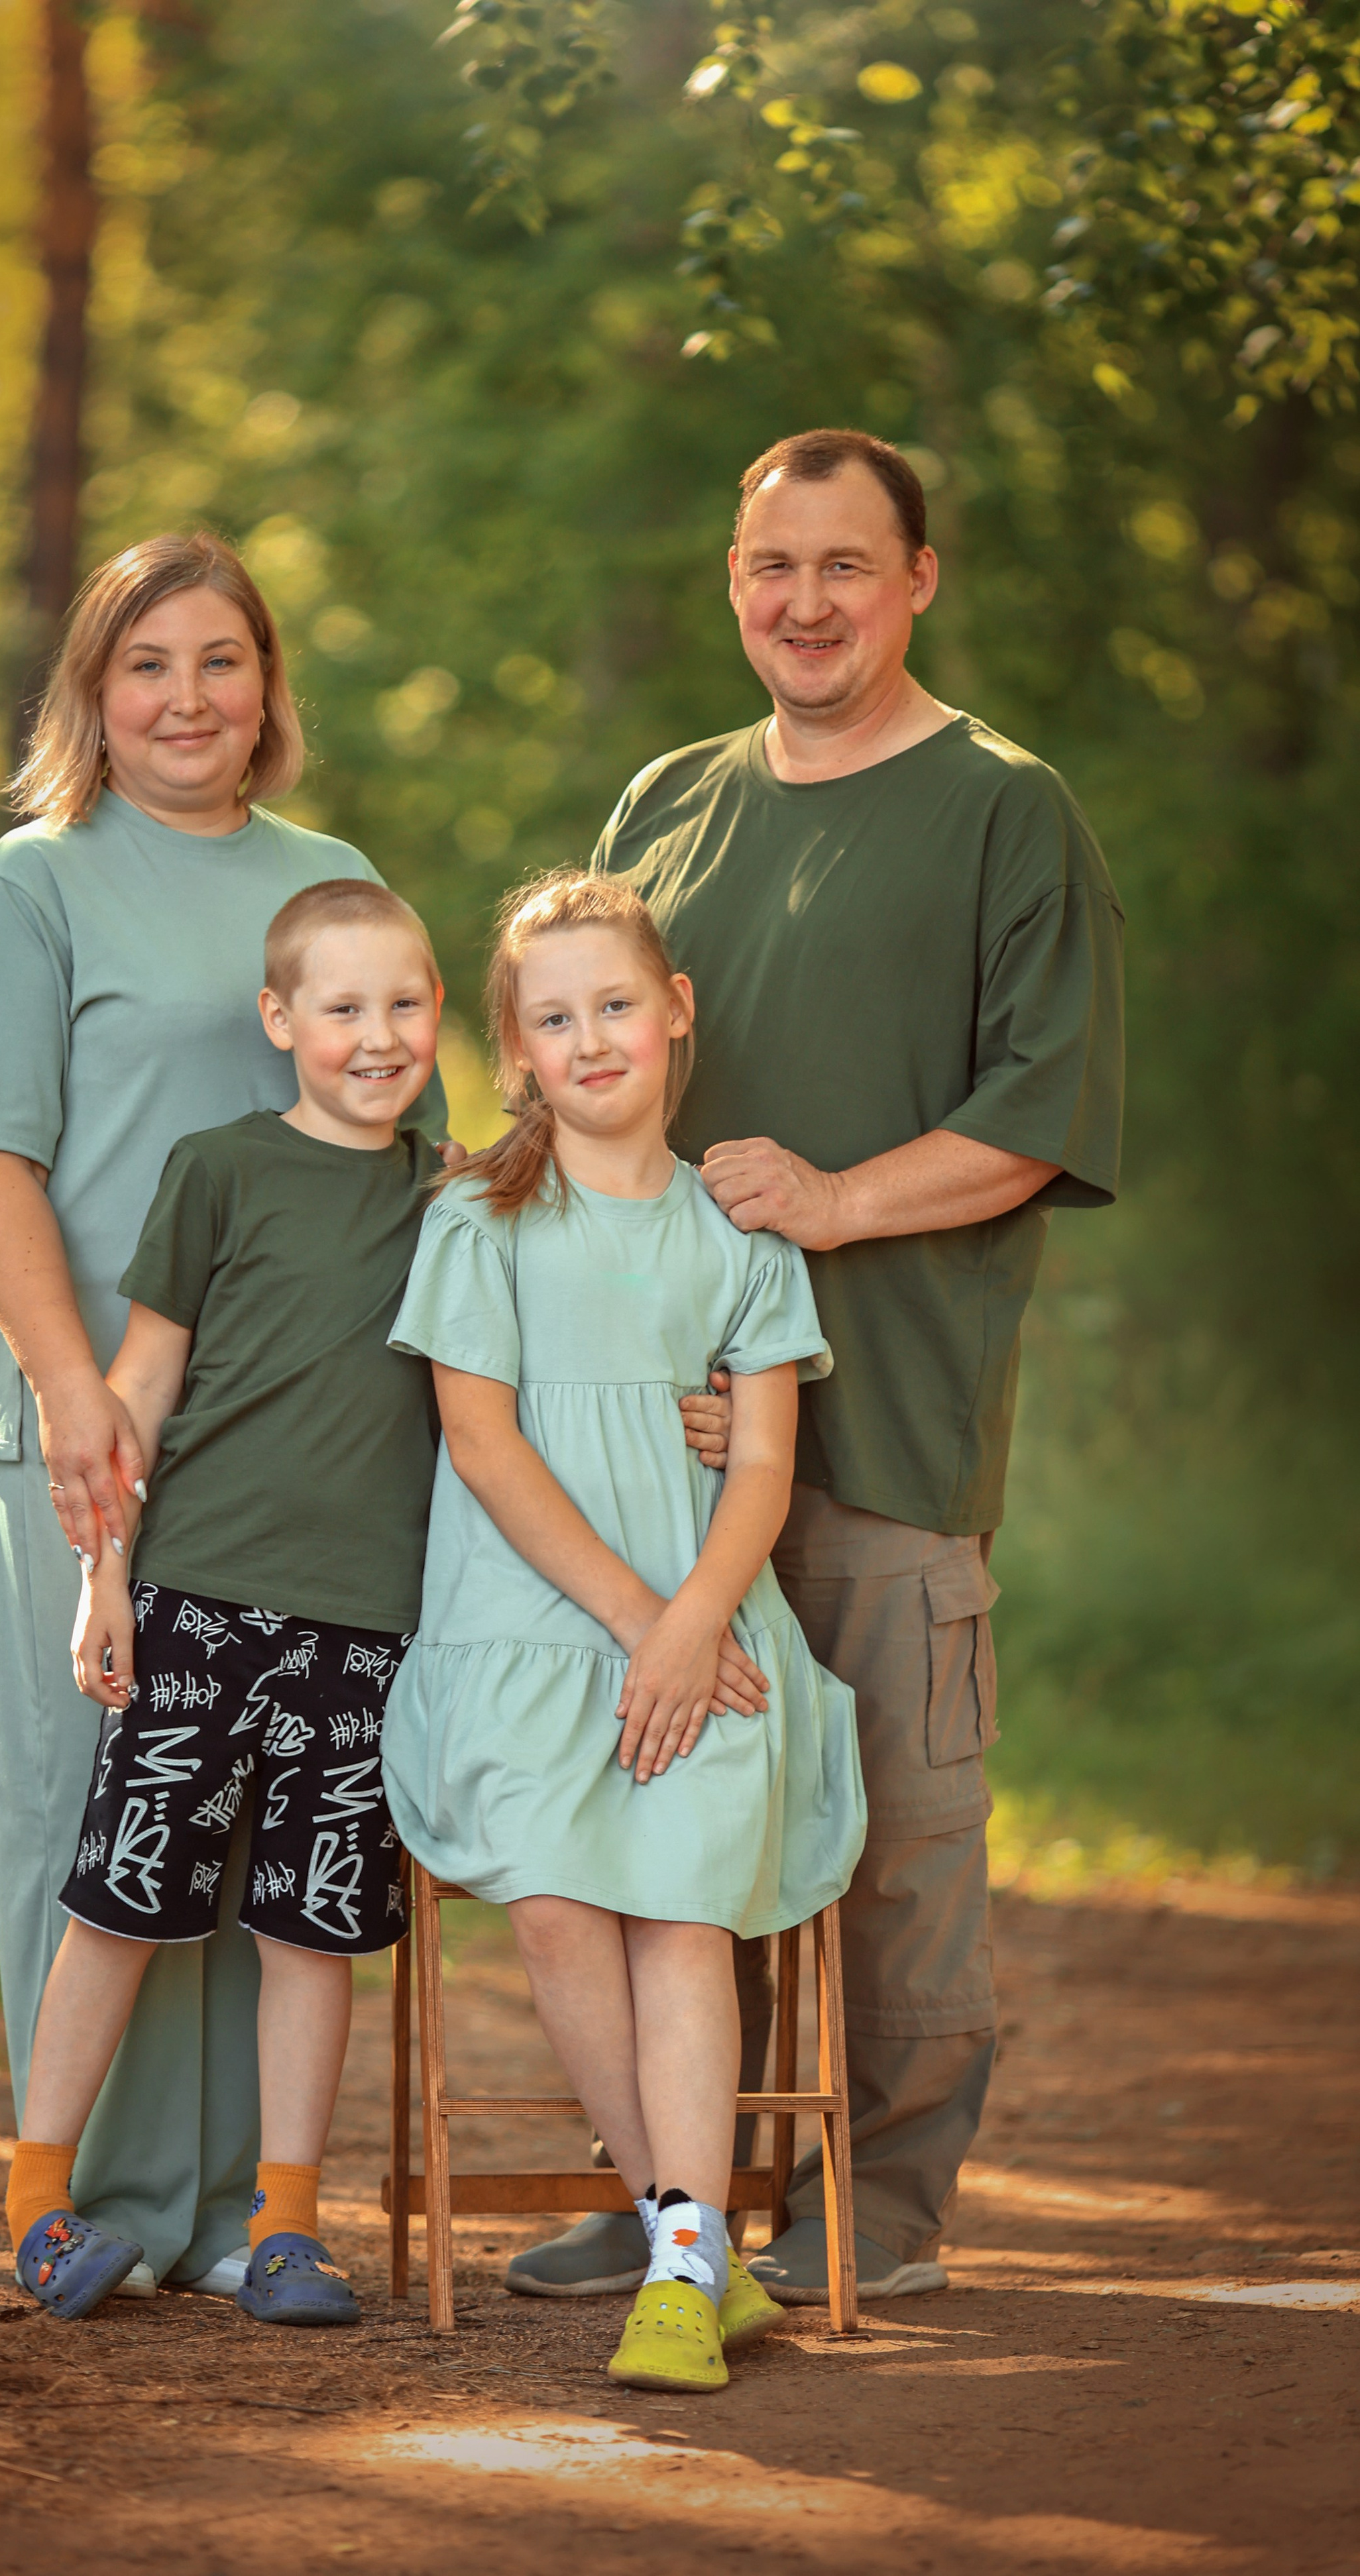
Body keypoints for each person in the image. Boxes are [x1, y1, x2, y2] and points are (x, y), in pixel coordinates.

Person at [508, 428, 1125, 2308]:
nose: (807, 603)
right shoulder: (669, 799)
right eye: (775, 565)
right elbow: (580, 1060)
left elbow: (1040, 1115)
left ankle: (883, 2213)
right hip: (656, 1451)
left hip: (888, 1429)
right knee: (664, 1824)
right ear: (732, 577)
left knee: (892, 1854)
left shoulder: (1009, 810)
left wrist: (838, 1202)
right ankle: (679, 2187)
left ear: (919, 579)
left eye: (848, 566)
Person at [0, 535, 450, 2298]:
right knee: (104, 1807)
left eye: (222, 662)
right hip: (89, 1410)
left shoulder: (333, 875)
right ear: (93, 690)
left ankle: (243, 2215)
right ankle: (98, 2207)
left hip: (304, 1437)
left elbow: (414, 1163)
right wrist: (73, 1393)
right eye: (150, 664)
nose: (189, 699)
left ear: (268, 687)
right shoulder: (33, 884)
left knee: (265, 1816)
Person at [382, 871, 866, 2392]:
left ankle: (679, 2265)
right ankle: (685, 2231)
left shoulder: (739, 1236)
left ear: (675, 1015)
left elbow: (769, 1462)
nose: (588, 1038)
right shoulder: (478, 1219)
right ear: (514, 1053)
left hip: (708, 1621)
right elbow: (484, 1444)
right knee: (549, 1890)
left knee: (678, 1907)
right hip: (527, 1626)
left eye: (613, 1005)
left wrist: (690, 1623)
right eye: (551, 1018)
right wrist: (636, 1622)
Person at [3, 878, 445, 2322]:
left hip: (366, 1626)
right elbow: (141, 1387)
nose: (376, 1036)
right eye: (341, 1007)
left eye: (404, 1003)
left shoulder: (456, 1198)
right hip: (195, 1605)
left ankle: (288, 2226)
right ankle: (36, 2204)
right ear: (280, 1020)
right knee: (126, 1901)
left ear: (439, 1014)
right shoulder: (219, 1170)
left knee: (312, 1929)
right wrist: (103, 1579)